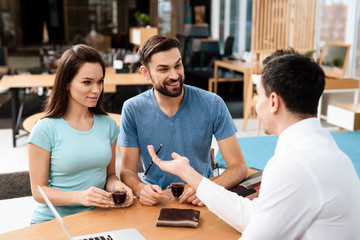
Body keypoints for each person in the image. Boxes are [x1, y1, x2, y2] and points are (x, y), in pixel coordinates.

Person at [147, 50, 360, 239]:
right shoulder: (327, 151)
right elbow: (254, 215)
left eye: (259, 94)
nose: (257, 104)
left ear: (274, 102)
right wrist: (188, 172)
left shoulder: (294, 165)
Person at [118, 35, 248, 206]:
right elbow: (127, 171)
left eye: (177, 65)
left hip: (202, 197)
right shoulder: (132, 109)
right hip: (157, 201)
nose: (174, 75)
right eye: (163, 69)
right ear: (145, 73)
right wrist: (140, 188)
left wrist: (208, 189)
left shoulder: (212, 103)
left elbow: (239, 167)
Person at [28, 44, 133, 224]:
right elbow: (39, 192)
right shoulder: (45, 129)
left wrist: (117, 186)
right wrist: (80, 196)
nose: (96, 89)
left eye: (100, 81)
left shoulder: (108, 125)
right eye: (87, 82)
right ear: (67, 83)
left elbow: (109, 176)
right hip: (54, 222)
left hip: (98, 217)